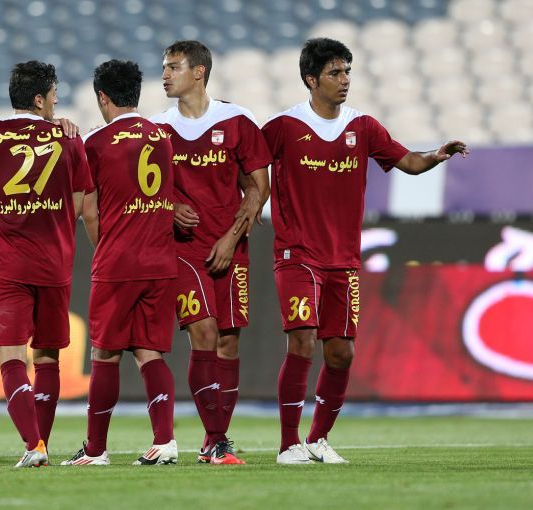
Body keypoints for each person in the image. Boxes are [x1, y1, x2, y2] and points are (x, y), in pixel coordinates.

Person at [262, 38, 469, 464]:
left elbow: (408, 162)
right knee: (302, 341)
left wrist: (436, 155)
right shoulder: (283, 126)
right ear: (311, 79)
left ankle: (318, 439)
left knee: (342, 353)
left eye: (347, 72)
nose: (344, 80)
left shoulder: (363, 126)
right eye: (334, 73)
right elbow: (248, 165)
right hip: (297, 255)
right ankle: (288, 444)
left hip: (343, 260)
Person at [151, 40, 272, 465]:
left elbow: (258, 187)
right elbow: (141, 191)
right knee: (203, 333)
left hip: (231, 248)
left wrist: (231, 238)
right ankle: (219, 440)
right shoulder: (157, 130)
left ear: (199, 72)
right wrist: (169, 207)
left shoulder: (237, 121)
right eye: (164, 67)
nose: (165, 75)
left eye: (173, 67)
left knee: (228, 342)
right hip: (183, 250)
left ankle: (211, 439)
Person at [61, 60, 179, 466]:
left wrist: (106, 249)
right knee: (150, 353)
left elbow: (89, 211)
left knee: (105, 354)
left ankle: (96, 449)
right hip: (161, 262)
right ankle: (165, 441)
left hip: (119, 262)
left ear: (102, 97)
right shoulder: (162, 136)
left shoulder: (94, 142)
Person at [0, 60, 93, 467]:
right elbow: (78, 205)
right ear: (41, 99)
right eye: (54, 97)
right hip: (55, 263)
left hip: (10, 263)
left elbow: (7, 122)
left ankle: (34, 446)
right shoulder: (71, 140)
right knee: (47, 358)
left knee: (11, 358)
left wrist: (48, 120)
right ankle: (41, 443)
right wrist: (57, 125)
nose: (57, 103)